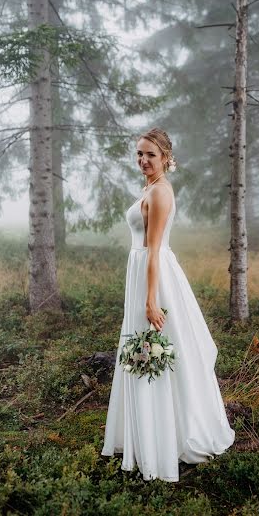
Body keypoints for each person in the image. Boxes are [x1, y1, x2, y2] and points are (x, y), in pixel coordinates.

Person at [101, 127, 235, 482]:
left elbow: (154, 249)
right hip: (143, 273)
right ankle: (147, 432)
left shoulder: (160, 192)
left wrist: (149, 299)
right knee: (143, 353)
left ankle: (164, 439)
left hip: (154, 278)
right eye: (139, 155)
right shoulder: (149, 187)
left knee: (156, 353)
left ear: (165, 158)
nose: (143, 161)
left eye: (150, 155)